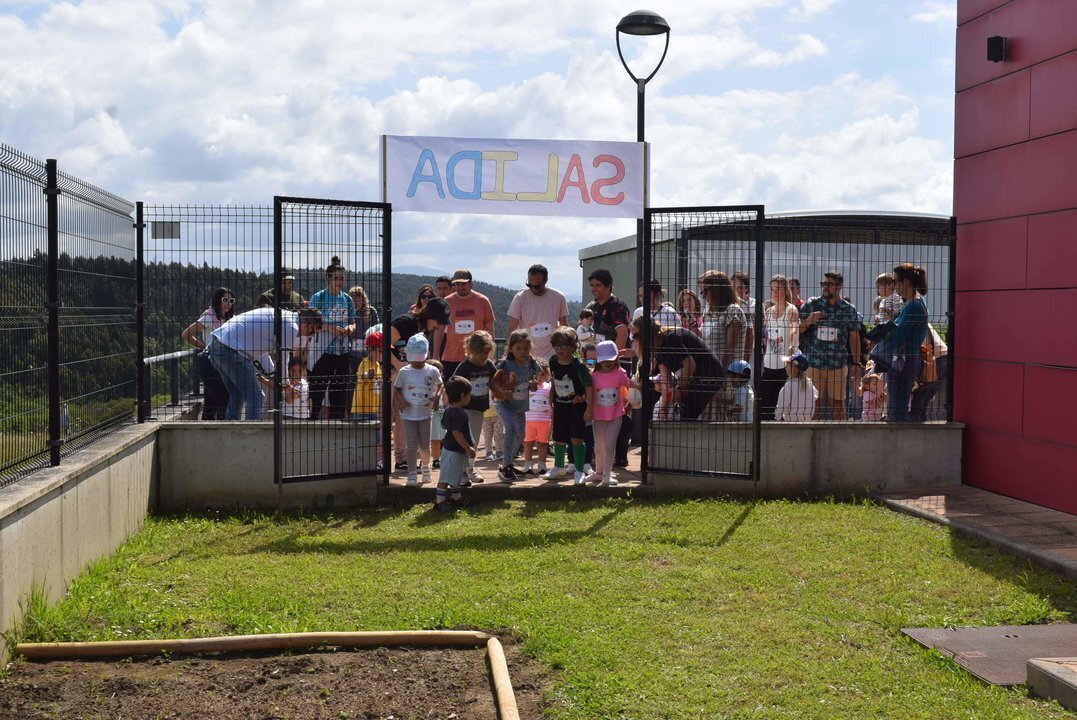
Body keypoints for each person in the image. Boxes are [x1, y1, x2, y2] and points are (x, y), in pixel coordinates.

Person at [207, 306, 323, 421]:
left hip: (218, 346)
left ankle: (232, 434)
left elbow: (263, 354)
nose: (309, 336)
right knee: (256, 396)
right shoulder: (291, 327)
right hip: (231, 350)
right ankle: (252, 434)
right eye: (311, 332)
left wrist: (274, 375)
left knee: (237, 395)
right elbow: (283, 357)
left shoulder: (283, 317)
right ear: (308, 323)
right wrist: (286, 385)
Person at [389, 297, 450, 469]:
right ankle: (385, 459)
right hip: (390, 376)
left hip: (407, 378)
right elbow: (382, 343)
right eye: (439, 321)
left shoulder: (423, 332)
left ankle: (401, 459)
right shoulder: (406, 322)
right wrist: (397, 364)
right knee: (388, 416)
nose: (440, 326)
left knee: (403, 416)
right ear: (429, 316)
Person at [632, 316, 724, 421]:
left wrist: (679, 389)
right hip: (695, 378)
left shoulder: (670, 338)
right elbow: (665, 379)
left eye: (635, 336)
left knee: (688, 414)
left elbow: (690, 366)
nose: (634, 340)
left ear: (645, 335)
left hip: (709, 375)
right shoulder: (657, 347)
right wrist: (663, 408)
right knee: (681, 413)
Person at [798, 271, 862, 420]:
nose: (825, 287)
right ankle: (811, 438)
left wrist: (857, 363)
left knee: (838, 404)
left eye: (829, 284)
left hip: (837, 364)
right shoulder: (812, 304)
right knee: (814, 403)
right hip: (814, 362)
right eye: (823, 284)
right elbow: (797, 329)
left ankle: (841, 438)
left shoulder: (848, 309)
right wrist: (809, 321)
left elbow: (854, 338)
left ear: (840, 286)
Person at [306, 258, 357, 420]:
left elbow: (352, 321)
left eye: (342, 278)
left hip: (342, 351)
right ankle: (313, 418)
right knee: (318, 388)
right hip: (323, 351)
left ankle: (337, 421)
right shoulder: (319, 298)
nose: (339, 281)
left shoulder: (347, 299)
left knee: (340, 389)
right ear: (328, 278)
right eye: (336, 278)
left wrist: (350, 329)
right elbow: (309, 323)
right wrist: (329, 328)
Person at [543, 327, 593, 483]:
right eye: (556, 345)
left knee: (577, 438)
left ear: (573, 346)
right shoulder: (553, 361)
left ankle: (579, 470)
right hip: (559, 406)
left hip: (576, 408)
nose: (559, 349)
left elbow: (589, 387)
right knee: (558, 437)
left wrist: (588, 405)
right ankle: (558, 467)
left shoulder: (579, 366)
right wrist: (551, 397)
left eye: (563, 345)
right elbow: (554, 380)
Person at [491, 329, 540, 483]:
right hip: (503, 403)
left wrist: (533, 386)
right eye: (518, 348)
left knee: (521, 434)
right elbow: (494, 382)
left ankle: (509, 464)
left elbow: (534, 384)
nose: (522, 352)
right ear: (511, 348)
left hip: (520, 405)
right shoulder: (505, 364)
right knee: (511, 428)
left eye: (526, 348)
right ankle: (505, 466)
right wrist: (504, 390)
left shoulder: (532, 364)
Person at [393, 334, 442, 486]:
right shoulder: (404, 372)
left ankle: (426, 468)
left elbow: (440, 385)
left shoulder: (432, 370)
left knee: (424, 445)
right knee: (411, 444)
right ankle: (412, 474)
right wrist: (401, 401)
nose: (417, 363)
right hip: (408, 414)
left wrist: (436, 398)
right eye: (414, 360)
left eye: (420, 360)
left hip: (425, 413)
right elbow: (397, 389)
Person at [181, 287, 235, 420]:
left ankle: (208, 431)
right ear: (218, 300)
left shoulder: (225, 318)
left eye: (231, 300)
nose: (228, 303)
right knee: (224, 401)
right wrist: (203, 346)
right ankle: (224, 430)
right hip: (211, 364)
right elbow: (186, 334)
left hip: (221, 364)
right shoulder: (209, 317)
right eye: (225, 300)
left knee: (211, 403)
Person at [885, 264, 929, 422]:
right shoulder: (916, 303)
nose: (893, 286)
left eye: (894, 281)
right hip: (908, 358)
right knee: (901, 402)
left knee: (897, 405)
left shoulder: (912, 306)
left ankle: (897, 435)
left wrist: (885, 332)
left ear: (905, 283)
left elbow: (898, 335)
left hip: (904, 360)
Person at [452, 330, 497, 484]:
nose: (483, 357)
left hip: (479, 410)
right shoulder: (464, 367)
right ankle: (462, 472)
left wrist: (503, 391)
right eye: (480, 353)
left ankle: (470, 469)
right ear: (471, 350)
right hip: (466, 410)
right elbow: (454, 385)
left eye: (487, 352)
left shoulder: (489, 365)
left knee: (475, 442)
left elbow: (494, 382)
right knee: (466, 440)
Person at [586, 340, 632, 486]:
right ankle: (599, 473)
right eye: (605, 360)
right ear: (599, 360)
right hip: (598, 416)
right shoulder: (593, 376)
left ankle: (607, 474)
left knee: (609, 445)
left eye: (612, 359)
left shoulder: (620, 373)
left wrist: (640, 385)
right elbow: (587, 392)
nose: (609, 362)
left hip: (616, 415)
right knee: (598, 446)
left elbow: (629, 383)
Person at [439, 269, 495, 379]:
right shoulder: (447, 301)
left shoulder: (483, 301)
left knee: (477, 392)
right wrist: (436, 354)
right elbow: (439, 329)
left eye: (464, 284)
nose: (460, 287)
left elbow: (489, 328)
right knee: (452, 393)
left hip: (476, 357)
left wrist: (489, 353)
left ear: (471, 284)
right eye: (457, 284)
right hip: (451, 357)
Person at [507, 263, 569, 364]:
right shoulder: (520, 298)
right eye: (529, 285)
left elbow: (564, 327)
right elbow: (512, 328)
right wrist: (508, 354)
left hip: (552, 356)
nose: (532, 288)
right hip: (526, 356)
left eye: (536, 286)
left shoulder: (558, 297)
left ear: (545, 281)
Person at [759, 275, 800, 421]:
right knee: (765, 406)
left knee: (783, 405)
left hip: (785, 365)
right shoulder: (769, 311)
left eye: (779, 289)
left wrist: (791, 343)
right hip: (769, 363)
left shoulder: (791, 309)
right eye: (772, 289)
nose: (775, 293)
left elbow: (794, 328)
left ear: (786, 290)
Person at [434, 376, 476, 512]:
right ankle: (440, 501)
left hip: (452, 450)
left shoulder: (449, 410)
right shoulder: (459, 413)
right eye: (469, 394)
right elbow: (457, 433)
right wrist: (468, 448)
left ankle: (456, 497)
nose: (470, 397)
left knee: (455, 475)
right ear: (462, 395)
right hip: (454, 451)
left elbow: (444, 425)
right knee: (446, 477)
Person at [698, 270, 746, 367]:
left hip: (728, 374)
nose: (703, 297)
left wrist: (719, 371)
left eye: (705, 292)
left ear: (716, 290)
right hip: (710, 372)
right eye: (701, 293)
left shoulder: (733, 311)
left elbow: (730, 347)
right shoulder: (708, 311)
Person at [911, 325, 948, 421]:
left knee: (922, 391)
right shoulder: (922, 321)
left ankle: (916, 419)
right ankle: (921, 418)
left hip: (936, 359)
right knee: (927, 394)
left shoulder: (918, 322)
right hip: (942, 357)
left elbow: (924, 347)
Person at [522, 359, 552, 475]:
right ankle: (528, 463)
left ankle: (542, 464)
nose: (541, 377)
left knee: (543, 443)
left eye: (544, 374)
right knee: (528, 443)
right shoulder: (527, 387)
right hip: (529, 420)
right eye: (538, 374)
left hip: (544, 421)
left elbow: (551, 403)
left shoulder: (549, 387)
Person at [775, 350, 817, 422]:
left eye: (787, 365)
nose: (786, 367)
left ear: (793, 368)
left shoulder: (789, 385)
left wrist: (778, 418)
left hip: (790, 424)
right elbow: (816, 395)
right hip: (807, 423)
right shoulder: (810, 384)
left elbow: (781, 406)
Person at [351, 331, 383, 422]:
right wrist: (368, 375)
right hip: (361, 408)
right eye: (380, 351)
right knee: (361, 434)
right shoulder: (365, 362)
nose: (383, 354)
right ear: (370, 349)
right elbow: (363, 375)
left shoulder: (377, 364)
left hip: (373, 407)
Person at [348, 285, 380, 367]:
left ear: (363, 300)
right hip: (351, 352)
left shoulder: (371, 311)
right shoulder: (347, 312)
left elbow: (377, 330)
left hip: (368, 351)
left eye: (359, 300)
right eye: (354, 301)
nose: (357, 303)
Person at [731, 271, 756, 363]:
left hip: (750, 350)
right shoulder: (728, 305)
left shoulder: (754, 304)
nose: (736, 291)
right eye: (733, 288)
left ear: (747, 288)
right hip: (731, 350)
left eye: (740, 288)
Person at [427, 359, 446, 469]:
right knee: (434, 438)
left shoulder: (441, 384)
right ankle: (435, 459)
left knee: (442, 437)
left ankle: (440, 458)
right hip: (431, 412)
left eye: (440, 372)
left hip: (441, 411)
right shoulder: (426, 383)